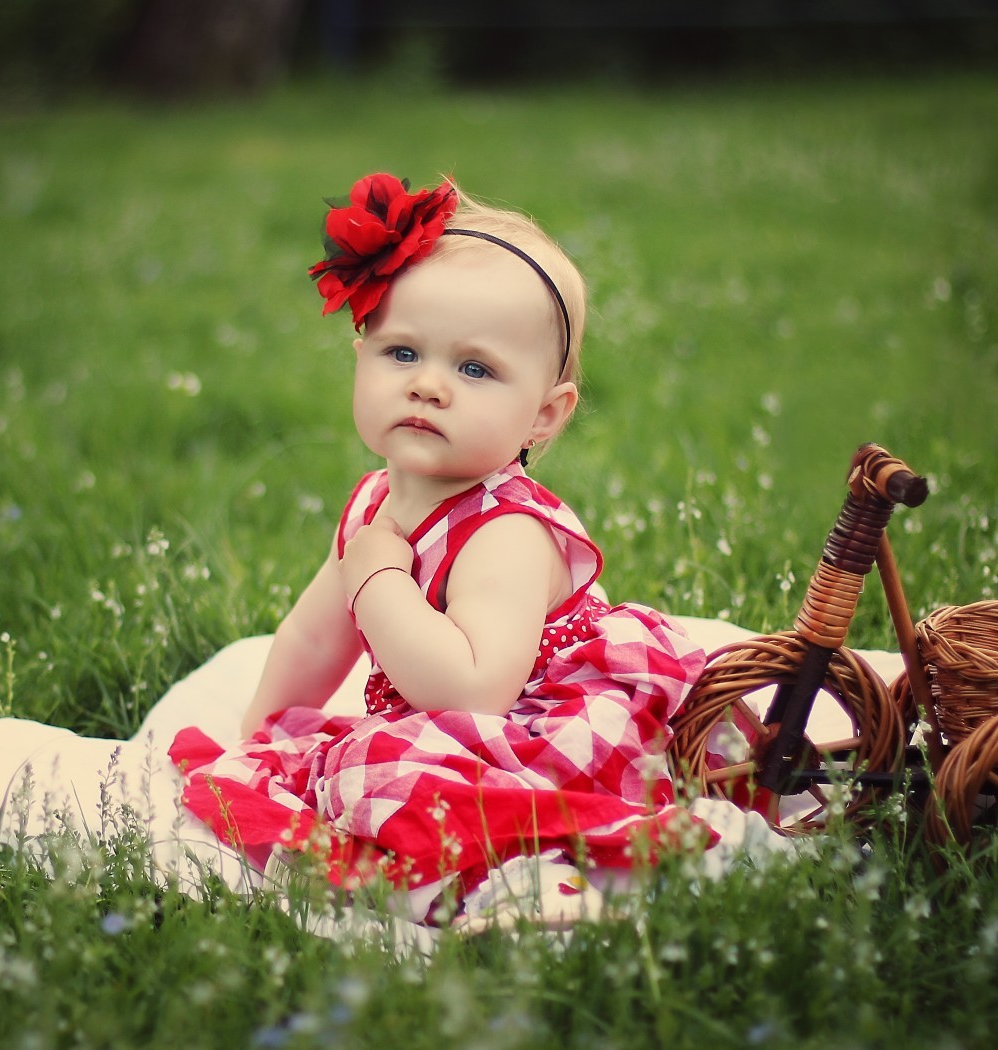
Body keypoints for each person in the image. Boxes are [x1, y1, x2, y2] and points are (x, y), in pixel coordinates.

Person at [167, 173, 714, 926]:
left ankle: (527, 883)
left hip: (537, 725)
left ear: (544, 416)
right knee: (335, 763)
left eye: (475, 369)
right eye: (401, 353)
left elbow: (473, 693)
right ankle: (443, 863)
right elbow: (317, 634)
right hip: (447, 722)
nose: (428, 385)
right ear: (359, 354)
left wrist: (383, 577)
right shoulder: (374, 502)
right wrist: (255, 740)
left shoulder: (507, 532)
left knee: (384, 773)